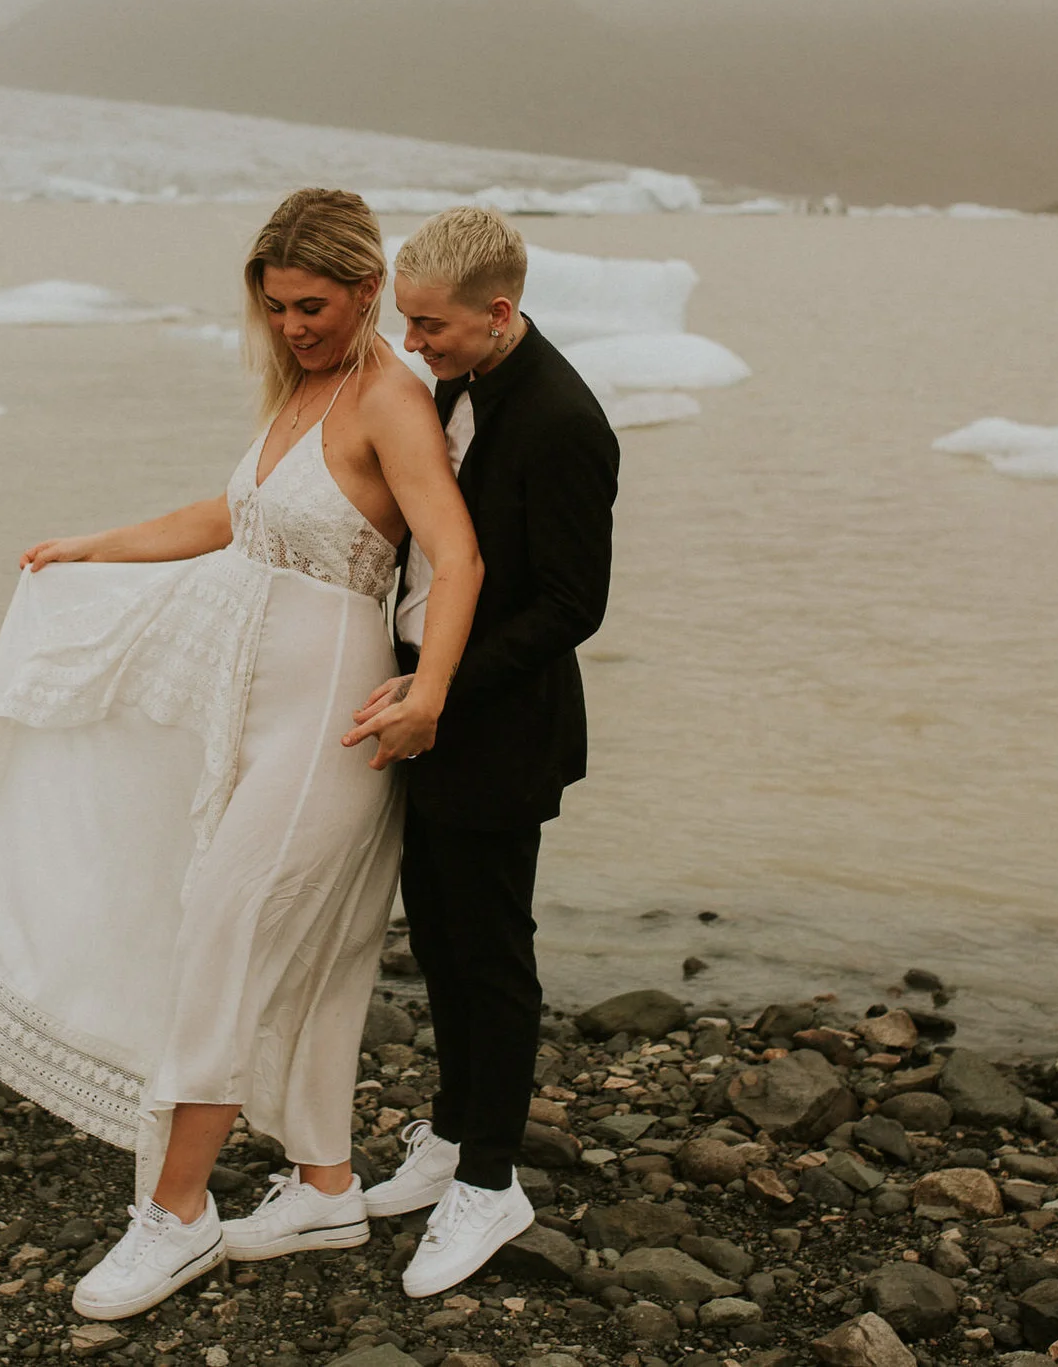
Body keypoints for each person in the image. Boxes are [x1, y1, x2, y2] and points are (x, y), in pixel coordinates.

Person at [0, 187, 482, 1322]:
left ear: (367, 287)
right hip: (258, 713)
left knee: (222, 933)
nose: (292, 325)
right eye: (276, 306)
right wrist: (97, 545)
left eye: (312, 304)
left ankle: (176, 1211)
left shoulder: (390, 399)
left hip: (337, 723)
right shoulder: (306, 391)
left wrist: (426, 694)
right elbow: (232, 514)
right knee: (305, 949)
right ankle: (326, 1183)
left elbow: (457, 554)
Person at [354, 206, 621, 1298]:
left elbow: (572, 603)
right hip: (427, 705)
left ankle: (492, 1180)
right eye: (406, 323)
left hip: (500, 726)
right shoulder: (452, 383)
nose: (412, 345)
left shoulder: (563, 420)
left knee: (491, 950)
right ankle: (452, 1131)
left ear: (498, 312)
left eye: (430, 328)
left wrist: (440, 685)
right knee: (442, 937)